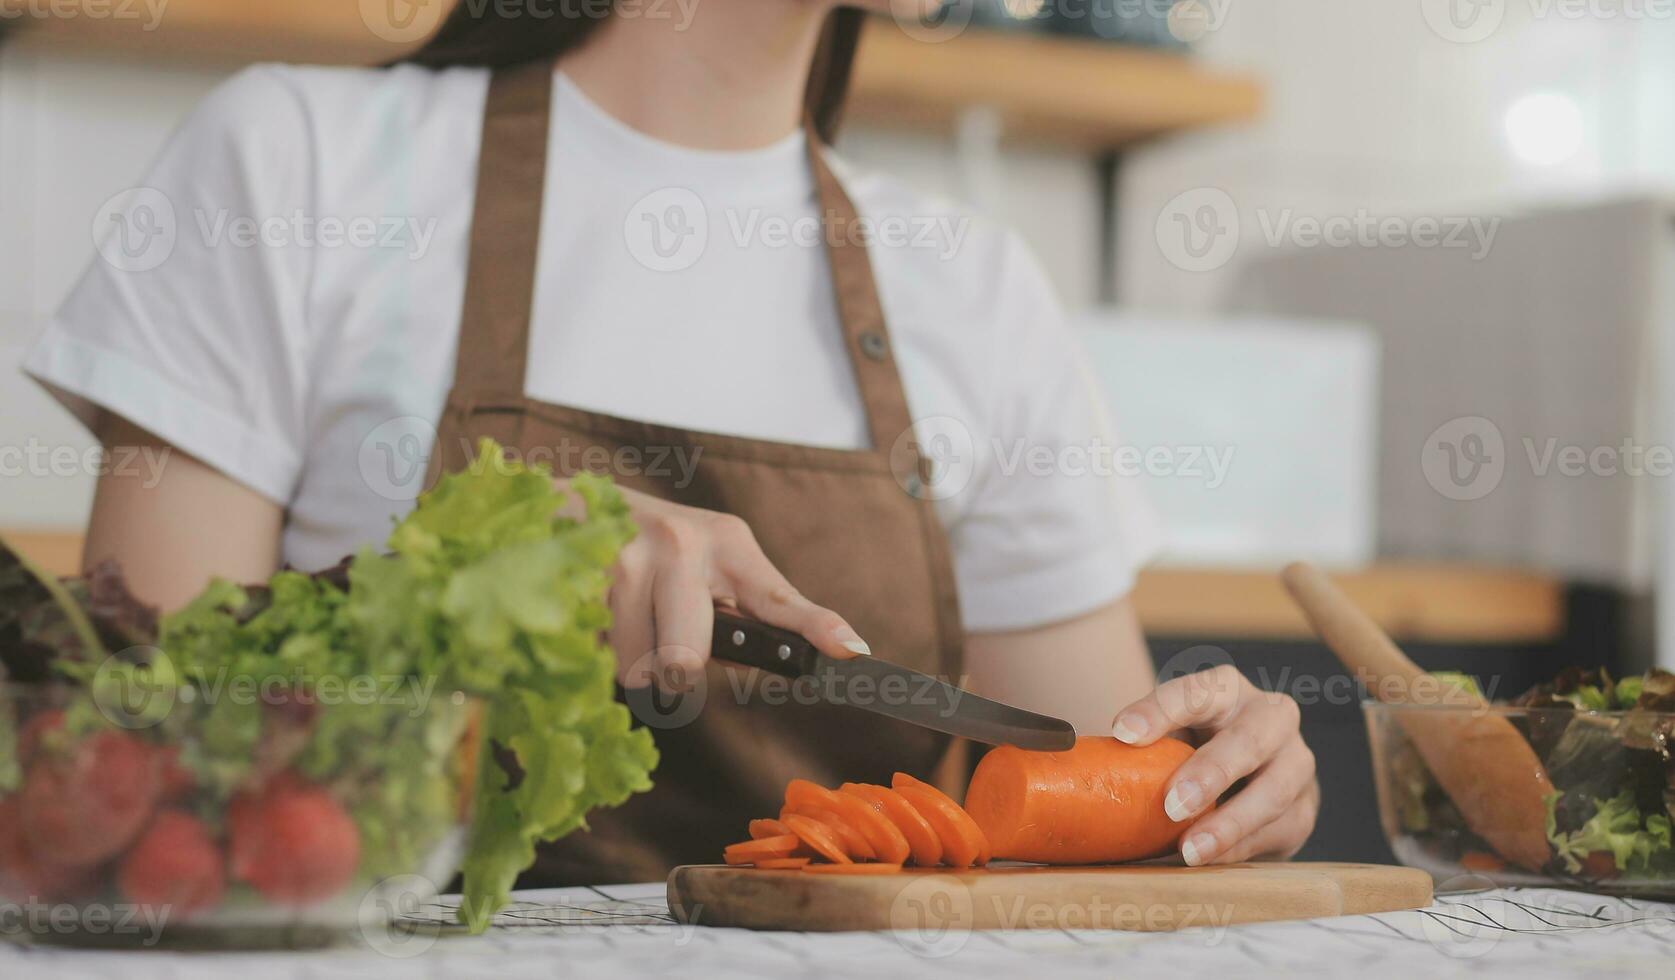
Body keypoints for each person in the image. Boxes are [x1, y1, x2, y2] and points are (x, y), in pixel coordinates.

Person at [26, 0, 1317, 883]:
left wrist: (1216, 789)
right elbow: (123, 785)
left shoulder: (978, 293)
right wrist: (497, 582)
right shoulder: (289, 170)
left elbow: (1097, 809)